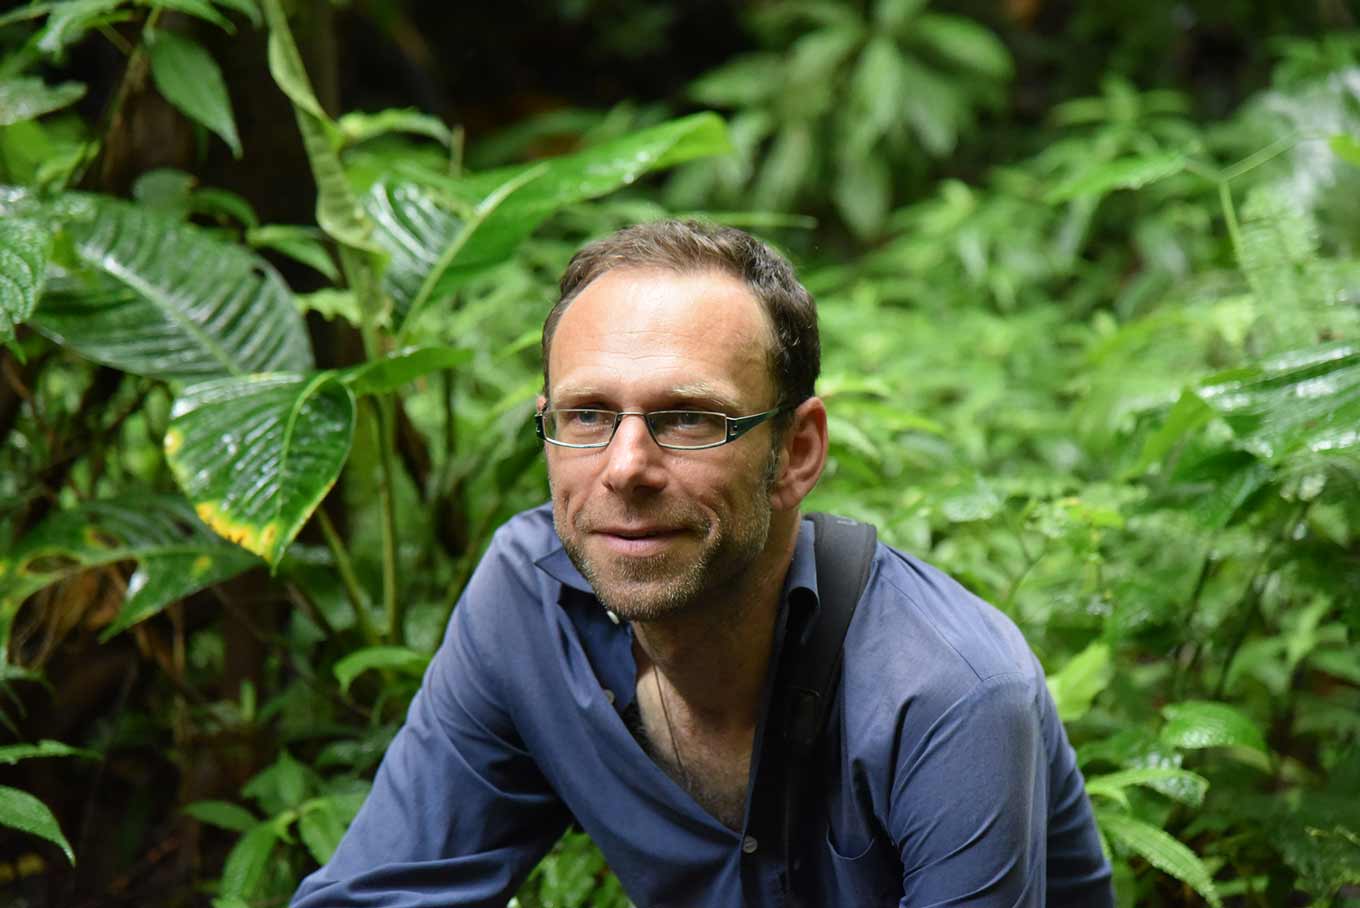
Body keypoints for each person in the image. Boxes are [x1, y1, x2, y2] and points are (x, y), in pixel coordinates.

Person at [291, 220, 1115, 907]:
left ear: (797, 452)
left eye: (688, 420)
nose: (625, 467)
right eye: (588, 414)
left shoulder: (946, 691)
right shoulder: (529, 598)